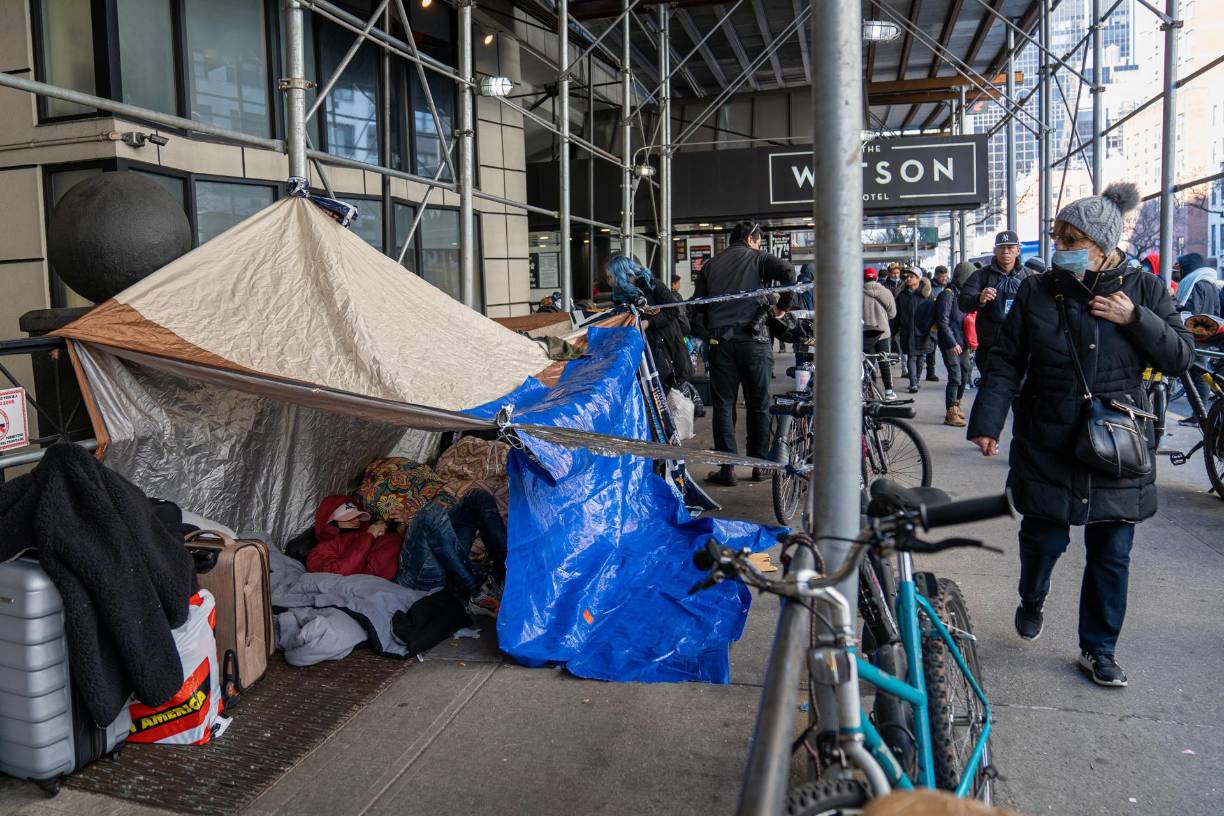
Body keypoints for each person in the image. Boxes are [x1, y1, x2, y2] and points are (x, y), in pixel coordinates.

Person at [967, 182, 1193, 688]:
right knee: (1042, 537)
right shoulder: (1038, 289)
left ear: (1103, 243)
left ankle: (1099, 648)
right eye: (1058, 236)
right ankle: (1033, 594)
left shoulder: (1145, 291)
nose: (1060, 247)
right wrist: (986, 422)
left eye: (1071, 239)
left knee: (1112, 552)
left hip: (1117, 442)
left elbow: (1179, 358)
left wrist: (1136, 319)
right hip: (1048, 435)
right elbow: (1005, 360)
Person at [691, 220, 797, 486]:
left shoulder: (710, 265)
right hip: (755, 342)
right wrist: (783, 306)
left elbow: (698, 308)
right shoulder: (758, 258)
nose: (760, 245)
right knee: (758, 404)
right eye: (759, 241)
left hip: (720, 344)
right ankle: (759, 466)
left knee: (724, 406)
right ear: (751, 239)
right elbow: (788, 271)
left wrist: (708, 337)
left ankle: (727, 469)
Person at [607, 254, 692, 389]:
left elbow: (673, 311)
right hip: (642, 352)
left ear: (621, 274)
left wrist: (649, 323)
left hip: (666, 349)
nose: (608, 281)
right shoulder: (620, 296)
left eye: (610, 276)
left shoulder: (653, 285)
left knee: (672, 394)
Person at [959, 230, 1035, 373]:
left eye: (1010, 247)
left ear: (1017, 250)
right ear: (995, 250)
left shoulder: (1029, 276)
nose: (1005, 251)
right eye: (1001, 247)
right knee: (992, 389)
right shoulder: (981, 276)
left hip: (1021, 348)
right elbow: (963, 302)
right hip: (990, 348)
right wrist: (979, 298)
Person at [1172, 252, 1221, 413]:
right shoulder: (1211, 284)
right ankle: (1199, 415)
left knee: (1196, 374)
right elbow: (1216, 310)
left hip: (1194, 334)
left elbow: (1192, 311)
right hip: (1207, 335)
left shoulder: (1196, 284)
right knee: (1200, 372)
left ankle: (1198, 415)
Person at [936, 263, 974, 426]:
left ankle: (956, 404)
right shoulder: (948, 294)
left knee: (965, 372)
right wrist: (952, 342)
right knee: (955, 376)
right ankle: (950, 412)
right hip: (950, 342)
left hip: (963, 341)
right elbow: (942, 321)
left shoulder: (962, 294)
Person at [893, 268, 936, 394]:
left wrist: (933, 332)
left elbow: (934, 314)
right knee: (911, 356)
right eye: (907, 276)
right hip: (907, 331)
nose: (908, 278)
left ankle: (916, 380)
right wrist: (893, 331)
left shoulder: (927, 295)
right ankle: (913, 383)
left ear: (919, 278)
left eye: (912, 276)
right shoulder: (901, 295)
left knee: (920, 356)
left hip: (923, 331)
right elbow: (897, 315)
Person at [863, 267, 898, 400]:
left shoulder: (856, 293)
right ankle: (889, 390)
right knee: (884, 361)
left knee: (868, 362)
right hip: (883, 332)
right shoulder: (886, 292)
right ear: (876, 278)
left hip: (867, 333)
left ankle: (871, 391)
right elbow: (893, 314)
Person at [925, 266, 951, 382]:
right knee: (931, 349)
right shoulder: (928, 287)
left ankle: (951, 371)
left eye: (946, 276)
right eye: (942, 277)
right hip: (933, 323)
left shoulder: (949, 286)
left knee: (947, 348)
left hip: (946, 322)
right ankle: (930, 373)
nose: (944, 279)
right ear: (936, 276)